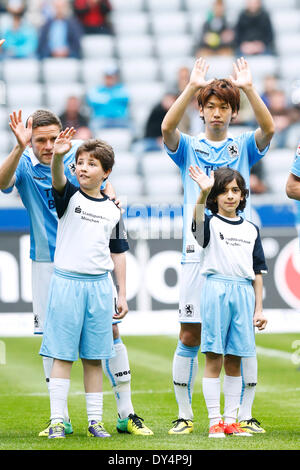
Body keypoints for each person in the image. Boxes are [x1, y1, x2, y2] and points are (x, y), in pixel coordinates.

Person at [0, 108, 153, 437]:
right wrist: (18, 146)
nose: (47, 145)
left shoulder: (80, 169)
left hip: (92, 269)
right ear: (31, 142)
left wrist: (121, 289)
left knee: (111, 335)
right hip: (49, 264)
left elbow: (116, 240)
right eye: (39, 140)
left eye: (54, 138)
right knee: (53, 343)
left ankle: (125, 412)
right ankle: (61, 417)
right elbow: (2, 182)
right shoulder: (26, 165)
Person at [161, 56, 274, 435]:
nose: (216, 113)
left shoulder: (242, 144)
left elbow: (269, 128)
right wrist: (193, 85)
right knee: (190, 333)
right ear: (201, 109)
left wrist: (249, 87)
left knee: (240, 340)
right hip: (197, 250)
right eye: (210, 106)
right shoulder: (189, 146)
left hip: (235, 250)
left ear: (232, 111)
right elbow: (166, 127)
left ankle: (242, 415)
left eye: (224, 107)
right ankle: (185, 414)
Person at [39, 135, 129, 438]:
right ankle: (57, 420)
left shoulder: (115, 211)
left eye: (92, 163)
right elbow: (57, 177)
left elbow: (118, 252)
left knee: (94, 358)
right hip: (67, 285)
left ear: (106, 173)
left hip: (100, 289)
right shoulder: (68, 197)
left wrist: (122, 293)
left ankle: (95, 421)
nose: (83, 168)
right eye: (79, 163)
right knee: (62, 356)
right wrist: (58, 156)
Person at [190, 166, 267, 437]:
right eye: (223, 191)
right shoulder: (210, 223)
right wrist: (201, 192)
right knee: (214, 357)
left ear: (243, 195)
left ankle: (231, 420)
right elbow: (196, 225)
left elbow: (257, 273)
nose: (230, 196)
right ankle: (214, 422)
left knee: (235, 360)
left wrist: (258, 308)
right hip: (216, 291)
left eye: (235, 191)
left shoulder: (251, 229)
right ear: (215, 196)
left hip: (243, 294)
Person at [86, 66, 130, 132]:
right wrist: (112, 99)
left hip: (120, 119)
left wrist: (105, 99)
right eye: (107, 77)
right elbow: (92, 101)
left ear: (115, 78)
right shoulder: (96, 90)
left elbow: (125, 98)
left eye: (111, 77)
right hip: (101, 119)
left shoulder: (121, 89)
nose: (109, 79)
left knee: (132, 129)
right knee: (92, 128)